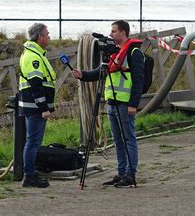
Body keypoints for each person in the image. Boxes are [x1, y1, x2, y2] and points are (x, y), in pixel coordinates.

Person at [72, 20, 144, 188]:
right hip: (111, 102)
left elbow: (139, 81)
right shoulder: (114, 52)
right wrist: (83, 75)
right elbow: (101, 72)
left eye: (114, 31)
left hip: (125, 104)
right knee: (118, 141)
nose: (111, 34)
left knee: (128, 139)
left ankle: (130, 175)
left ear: (123, 32)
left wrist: (134, 104)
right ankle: (121, 173)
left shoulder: (133, 53)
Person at [19, 23, 56, 188]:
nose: (49, 37)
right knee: (33, 142)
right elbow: (36, 84)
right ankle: (29, 176)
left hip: (33, 106)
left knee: (33, 141)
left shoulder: (36, 54)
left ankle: (30, 174)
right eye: (47, 34)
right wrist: (44, 108)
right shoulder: (34, 57)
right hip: (35, 107)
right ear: (40, 37)